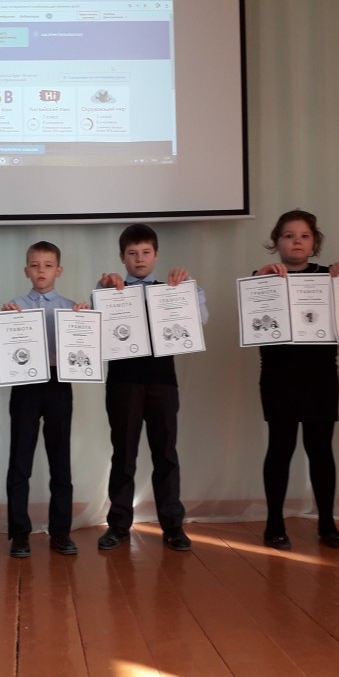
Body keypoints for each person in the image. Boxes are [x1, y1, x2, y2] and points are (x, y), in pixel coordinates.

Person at [95, 223, 208, 551]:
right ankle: (118, 525)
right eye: (132, 253)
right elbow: (94, 322)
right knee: (124, 455)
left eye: (146, 252)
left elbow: (200, 318)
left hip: (162, 383)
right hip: (123, 383)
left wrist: (189, 288)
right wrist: (102, 288)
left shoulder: (171, 289)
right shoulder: (110, 290)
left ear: (156, 255)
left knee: (166, 454)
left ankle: (173, 527)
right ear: (122, 257)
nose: (139, 258)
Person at [254, 210, 339, 551]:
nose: (297, 241)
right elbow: (253, 318)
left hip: (321, 376)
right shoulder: (263, 278)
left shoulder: (330, 276)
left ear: (314, 242)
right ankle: (274, 524)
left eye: (304, 236)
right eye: (289, 235)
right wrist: (261, 279)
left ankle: (327, 524)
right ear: (276, 242)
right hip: (278, 377)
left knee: (321, 449)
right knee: (280, 449)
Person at [1, 241, 87, 558]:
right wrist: (7, 321)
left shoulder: (71, 307)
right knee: (20, 461)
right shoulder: (14, 306)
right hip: (25, 383)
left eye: (48, 265)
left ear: (58, 270)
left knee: (60, 460)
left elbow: (83, 346)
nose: (41, 271)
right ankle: (19, 534)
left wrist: (83, 322)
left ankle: (61, 532)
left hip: (58, 383)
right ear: (26, 270)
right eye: (35, 265)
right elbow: (8, 348)